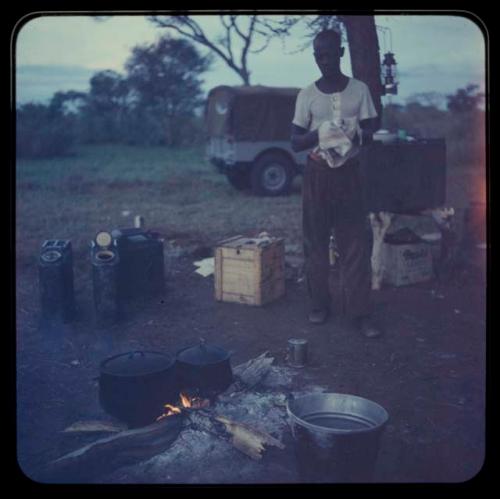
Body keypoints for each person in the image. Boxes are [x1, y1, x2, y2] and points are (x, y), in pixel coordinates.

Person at [290, 29, 382, 338]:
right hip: (317, 175)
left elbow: (372, 129)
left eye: (330, 54)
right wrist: (321, 133)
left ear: (341, 53)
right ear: (315, 57)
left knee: (354, 244)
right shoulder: (307, 95)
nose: (324, 61)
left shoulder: (360, 90)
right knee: (315, 243)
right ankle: (319, 305)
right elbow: (294, 142)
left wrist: (355, 134)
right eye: (319, 55)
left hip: (349, 175)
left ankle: (360, 314)